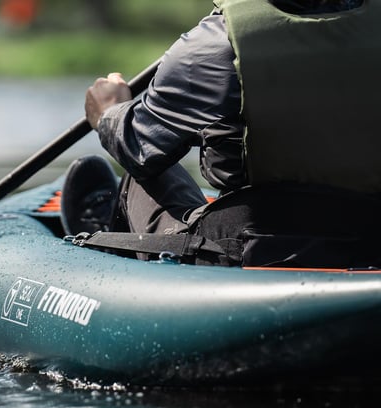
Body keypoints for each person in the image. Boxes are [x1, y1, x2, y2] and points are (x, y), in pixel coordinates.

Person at [62, 0, 381, 268]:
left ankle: (108, 247)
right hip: (369, 241)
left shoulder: (215, 41)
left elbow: (139, 147)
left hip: (250, 249)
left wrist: (109, 112)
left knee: (143, 177)